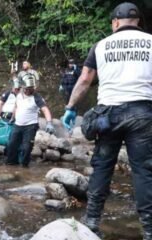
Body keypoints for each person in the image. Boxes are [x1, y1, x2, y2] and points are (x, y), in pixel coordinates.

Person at [61, 3, 152, 239]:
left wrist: (71, 107)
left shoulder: (101, 46)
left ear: (114, 23)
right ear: (138, 22)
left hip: (108, 114)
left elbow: (84, 80)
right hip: (143, 113)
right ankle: (150, 229)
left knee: (102, 167)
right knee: (143, 171)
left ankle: (91, 222)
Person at [7, 73, 55, 167]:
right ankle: (11, 164)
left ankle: (24, 166)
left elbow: (45, 109)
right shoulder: (19, 95)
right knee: (11, 144)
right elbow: (16, 107)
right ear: (23, 87)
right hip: (18, 124)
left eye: (31, 88)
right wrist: (12, 118)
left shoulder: (37, 97)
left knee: (26, 147)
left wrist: (49, 123)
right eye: (28, 88)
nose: (30, 90)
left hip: (30, 126)